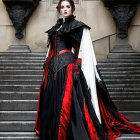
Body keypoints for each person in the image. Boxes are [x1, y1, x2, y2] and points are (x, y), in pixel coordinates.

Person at [35, 0, 140, 139]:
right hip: (53, 71)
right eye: (62, 7)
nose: (65, 9)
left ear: (72, 9)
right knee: (53, 102)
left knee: (69, 104)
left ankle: (70, 133)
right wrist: (46, 66)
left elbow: (83, 49)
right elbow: (50, 51)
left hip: (68, 68)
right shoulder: (55, 29)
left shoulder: (78, 27)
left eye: (68, 6)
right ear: (59, 9)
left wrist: (77, 67)